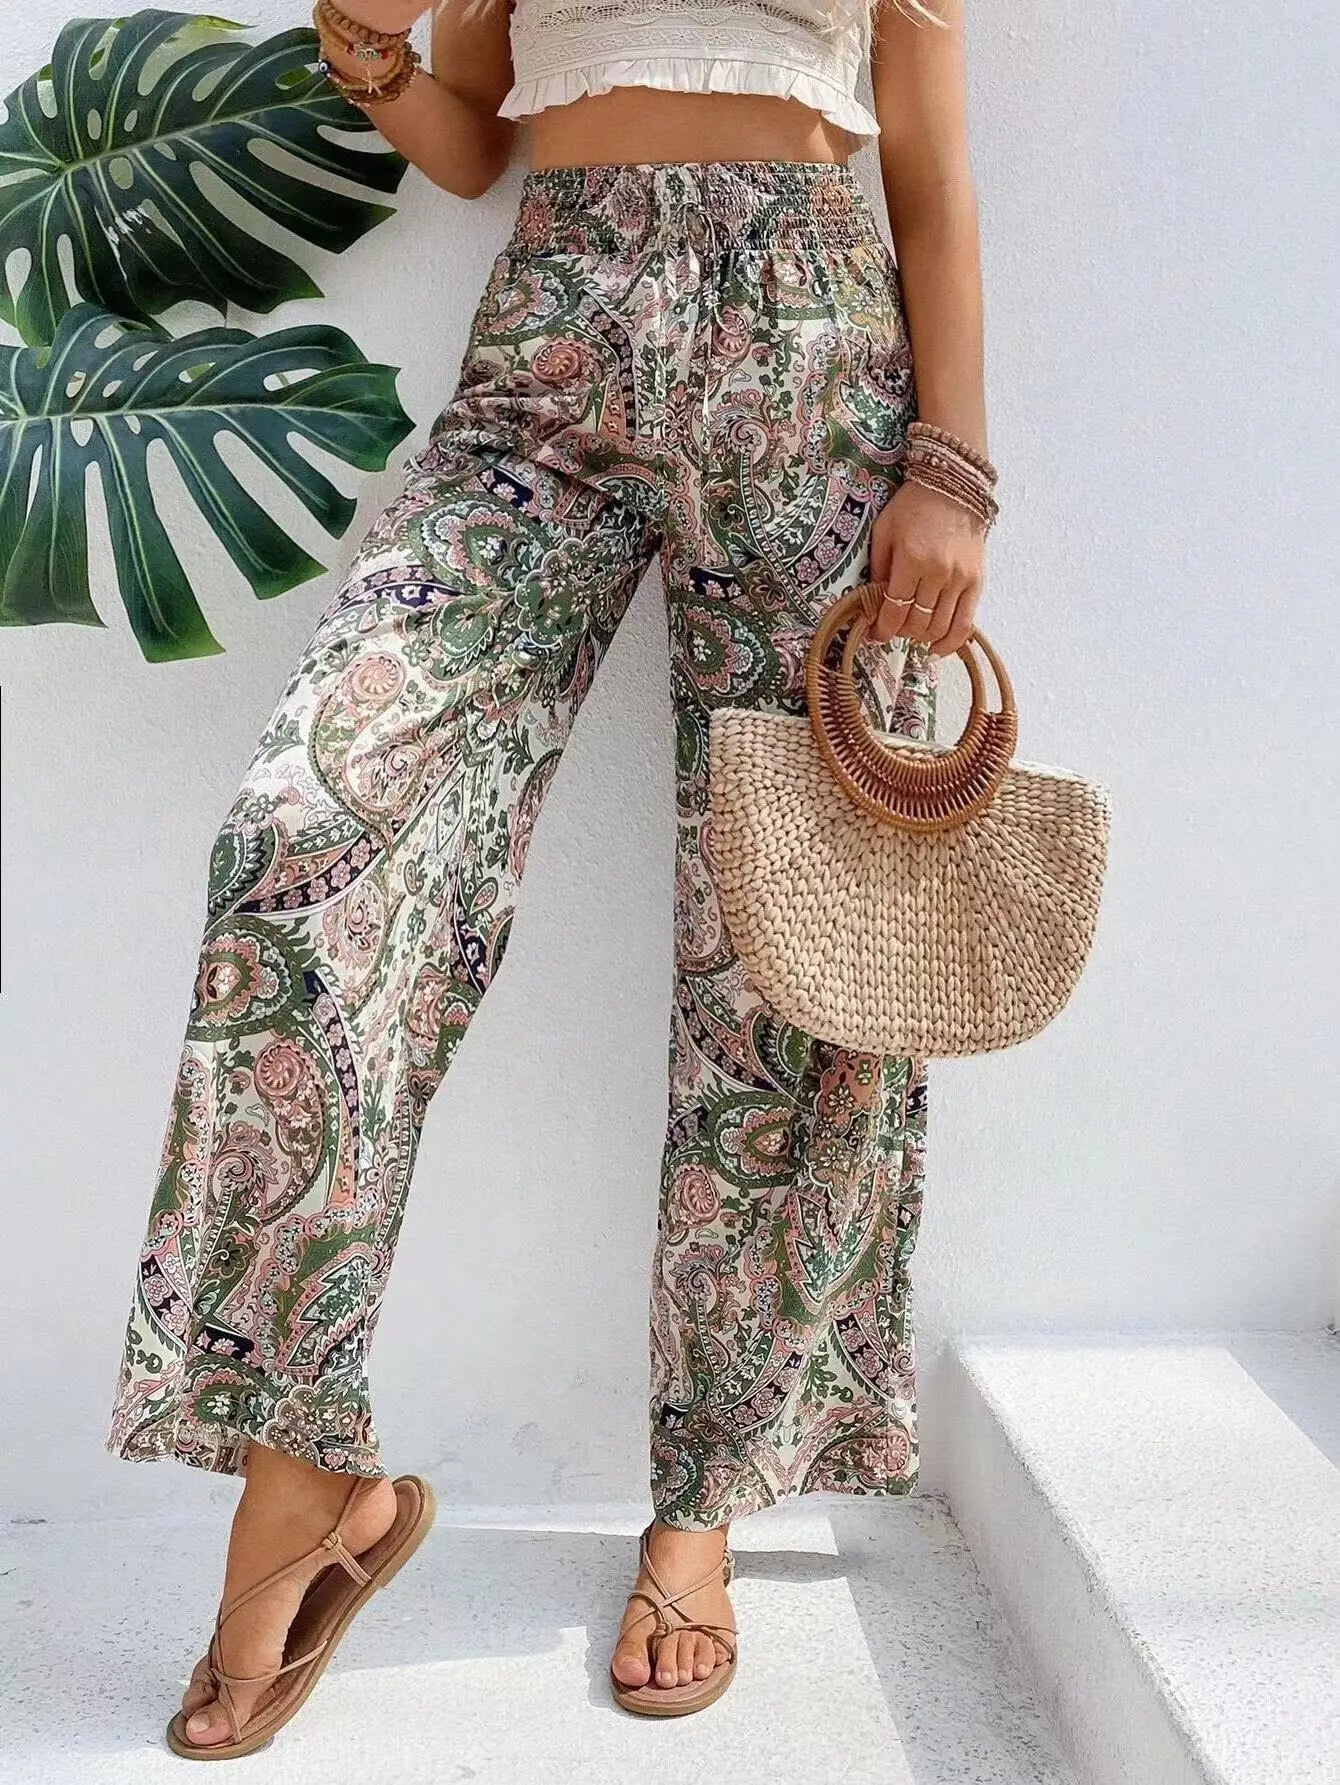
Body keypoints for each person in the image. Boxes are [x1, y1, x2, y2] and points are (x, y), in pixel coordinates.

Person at [107, 0, 993, 1753]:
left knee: (787, 950)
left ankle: (706, 1501)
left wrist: (953, 470)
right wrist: (367, 50)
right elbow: (478, 139)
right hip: (552, 351)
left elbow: (934, 169)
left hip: (816, 355)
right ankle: (303, 1471)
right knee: (312, 834)